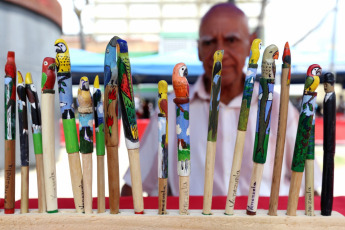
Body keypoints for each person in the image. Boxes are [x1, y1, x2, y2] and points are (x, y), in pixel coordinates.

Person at [121, 2, 321, 196]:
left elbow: (312, 187)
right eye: (209, 42)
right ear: (199, 49)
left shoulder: (278, 108)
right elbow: (133, 188)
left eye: (231, 40)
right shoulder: (173, 110)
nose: (220, 53)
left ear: (251, 45)